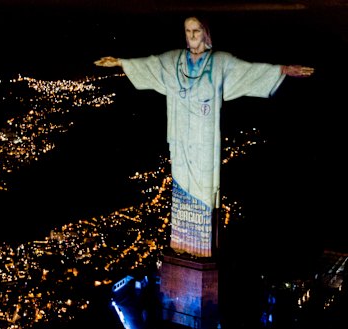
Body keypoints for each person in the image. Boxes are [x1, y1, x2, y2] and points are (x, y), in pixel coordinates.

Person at [94, 16, 314, 258]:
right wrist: (120, 63)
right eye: (187, 31)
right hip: (179, 137)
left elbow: (249, 71)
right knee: (180, 185)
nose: (192, 36)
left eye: (196, 31)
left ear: (206, 33)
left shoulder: (220, 62)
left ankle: (202, 248)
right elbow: (150, 65)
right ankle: (182, 245)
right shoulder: (174, 61)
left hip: (205, 139)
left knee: (205, 189)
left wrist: (283, 70)